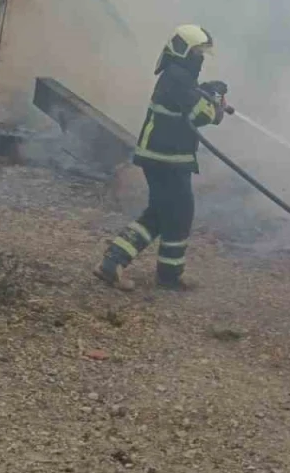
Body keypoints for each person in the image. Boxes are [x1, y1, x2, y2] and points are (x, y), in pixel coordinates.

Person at [95, 24, 228, 291]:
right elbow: (201, 116)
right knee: (177, 213)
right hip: (165, 158)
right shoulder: (177, 77)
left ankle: (121, 265)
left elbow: (188, 102)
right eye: (198, 53)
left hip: (166, 157)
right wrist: (214, 97)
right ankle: (158, 274)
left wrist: (205, 90)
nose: (201, 59)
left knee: (162, 213)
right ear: (185, 51)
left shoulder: (178, 77)